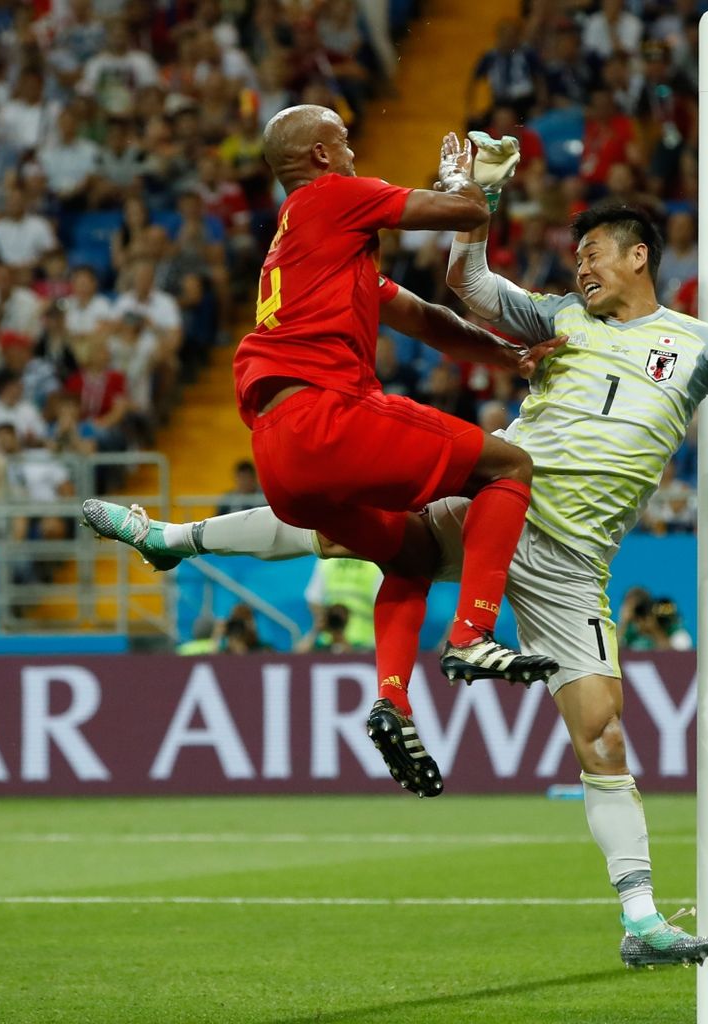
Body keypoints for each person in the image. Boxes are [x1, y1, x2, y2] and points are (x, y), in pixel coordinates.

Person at [84, 159, 708, 968]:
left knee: (602, 734)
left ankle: (642, 920)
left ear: (638, 256)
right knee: (353, 533)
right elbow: (470, 284)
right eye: (575, 256)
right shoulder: (557, 318)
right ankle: (176, 540)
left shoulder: (699, 345)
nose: (580, 267)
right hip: (498, 509)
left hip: (575, 563)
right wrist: (478, 194)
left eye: (594, 253)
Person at [84, 105, 560, 799]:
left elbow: (428, 320)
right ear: (319, 156)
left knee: (411, 556)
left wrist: (509, 358)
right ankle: (470, 634)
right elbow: (460, 212)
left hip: (280, 453)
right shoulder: (332, 198)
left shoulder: (314, 248)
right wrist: (468, 180)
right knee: (508, 466)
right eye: (344, 141)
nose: (355, 152)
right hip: (329, 415)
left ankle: (392, 700)